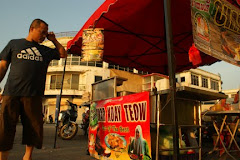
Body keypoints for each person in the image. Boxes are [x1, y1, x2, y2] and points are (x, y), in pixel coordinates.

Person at [0, 19, 67, 160]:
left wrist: (53, 40)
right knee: (5, 127)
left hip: (34, 95)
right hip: (11, 93)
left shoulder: (45, 50)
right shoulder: (14, 44)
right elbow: (2, 67)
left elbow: (62, 54)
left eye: (45, 33)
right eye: (41, 32)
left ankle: (27, 157)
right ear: (32, 29)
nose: (44, 36)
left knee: (33, 127)